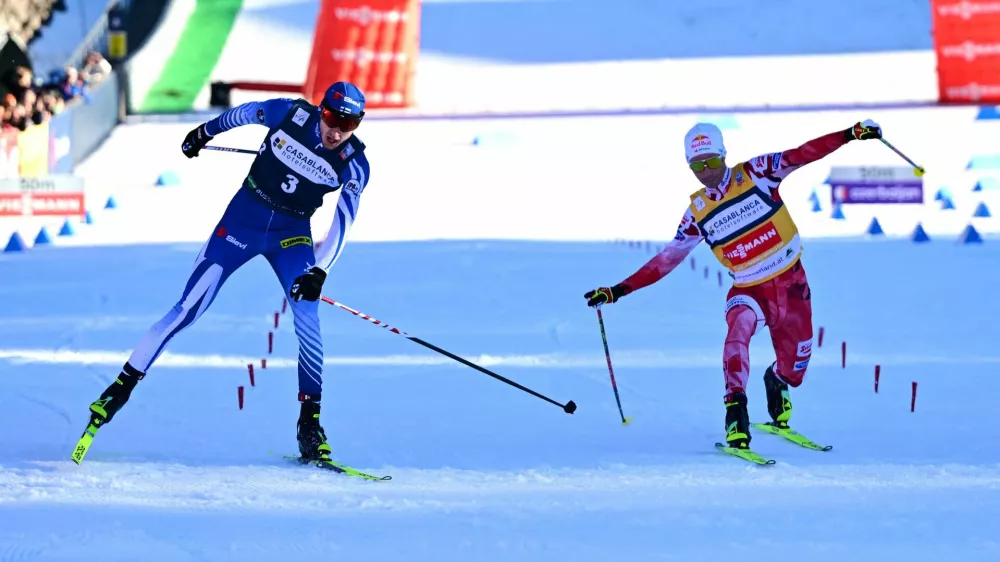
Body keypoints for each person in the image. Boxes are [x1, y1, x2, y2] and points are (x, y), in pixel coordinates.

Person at [77, 82, 372, 464]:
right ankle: (118, 390)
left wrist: (319, 271)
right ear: (322, 110)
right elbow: (246, 113)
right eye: (332, 117)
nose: (337, 130)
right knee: (188, 308)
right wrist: (204, 133)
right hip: (241, 224)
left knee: (308, 320)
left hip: (291, 236)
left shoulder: (354, 162)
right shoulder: (290, 114)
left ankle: (310, 425)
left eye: (349, 123)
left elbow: (344, 222)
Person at [583, 119, 883, 451]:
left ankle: (778, 379)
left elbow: (801, 155)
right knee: (737, 333)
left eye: (711, 161)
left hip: (790, 284)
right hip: (748, 289)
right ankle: (735, 413)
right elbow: (668, 258)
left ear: (723, 154)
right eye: (697, 165)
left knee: (796, 370)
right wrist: (618, 290)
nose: (706, 171)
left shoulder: (756, 173)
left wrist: (848, 135)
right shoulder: (697, 212)